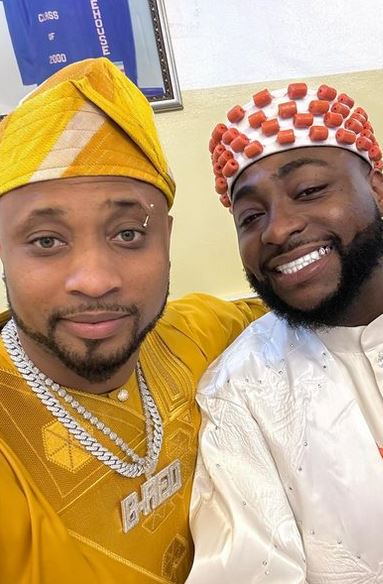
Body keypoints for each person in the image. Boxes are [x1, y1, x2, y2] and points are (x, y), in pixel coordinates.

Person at [0, 57, 268, 584]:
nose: (95, 280)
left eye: (128, 234)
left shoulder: (197, 333)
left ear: (166, 240)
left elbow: (306, 302)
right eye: (46, 241)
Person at [187, 82, 383, 583]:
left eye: (310, 190)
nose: (276, 230)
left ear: (377, 191)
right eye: (251, 216)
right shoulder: (238, 394)